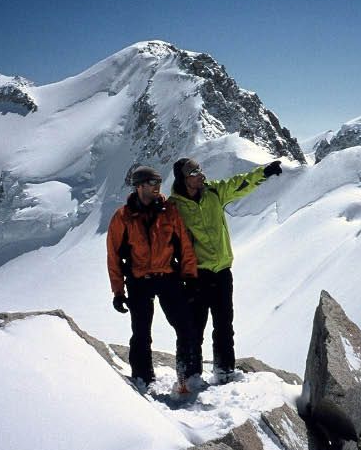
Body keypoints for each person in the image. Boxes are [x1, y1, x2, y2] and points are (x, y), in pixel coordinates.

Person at [169, 157, 283, 382]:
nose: (201, 175)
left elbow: (240, 183)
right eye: (194, 173)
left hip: (221, 271)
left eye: (200, 170)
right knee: (194, 328)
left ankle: (224, 371)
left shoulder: (213, 192)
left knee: (224, 325)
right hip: (196, 275)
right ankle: (189, 376)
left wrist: (264, 172)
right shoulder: (174, 207)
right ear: (183, 179)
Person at [107, 165, 198, 391]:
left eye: (158, 181)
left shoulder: (169, 211)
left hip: (168, 276)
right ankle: (143, 379)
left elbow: (184, 245)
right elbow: (113, 256)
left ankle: (186, 377)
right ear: (139, 186)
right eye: (151, 182)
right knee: (141, 333)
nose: (157, 186)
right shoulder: (122, 217)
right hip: (139, 281)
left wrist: (190, 277)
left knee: (185, 327)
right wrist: (118, 292)